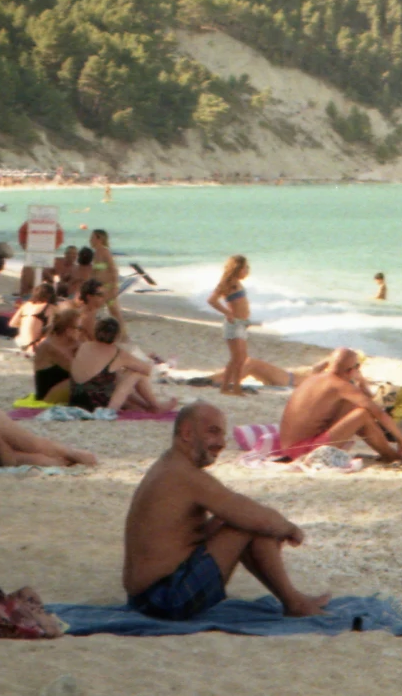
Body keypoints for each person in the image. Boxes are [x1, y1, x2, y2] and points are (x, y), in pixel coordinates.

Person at [122, 403, 327, 620]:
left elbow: (184, 536)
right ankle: (294, 602)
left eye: (222, 435)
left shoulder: (169, 466)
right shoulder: (184, 475)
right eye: (213, 432)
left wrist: (221, 523)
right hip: (164, 599)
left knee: (237, 520)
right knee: (250, 524)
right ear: (187, 433)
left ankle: (293, 600)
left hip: (142, 599)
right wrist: (290, 529)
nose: (221, 443)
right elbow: (253, 517)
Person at [278, 347, 402, 464]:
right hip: (303, 451)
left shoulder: (315, 379)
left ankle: (388, 454)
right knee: (362, 414)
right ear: (351, 370)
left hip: (289, 448)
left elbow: (367, 400)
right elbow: (378, 413)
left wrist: (361, 382)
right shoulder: (339, 385)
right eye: (357, 366)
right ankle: (390, 455)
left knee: (353, 407)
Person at [70, 317, 175, 413]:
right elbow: (146, 370)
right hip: (98, 404)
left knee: (117, 375)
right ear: (116, 336)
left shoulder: (84, 346)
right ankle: (156, 406)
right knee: (136, 374)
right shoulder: (117, 353)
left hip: (76, 399)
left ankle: (148, 407)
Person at [208, 255, 257, 396]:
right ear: (237, 268)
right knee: (238, 357)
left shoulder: (238, 283)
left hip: (241, 324)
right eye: (245, 268)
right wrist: (227, 312)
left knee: (240, 358)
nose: (247, 271)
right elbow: (212, 300)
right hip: (234, 324)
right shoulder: (228, 283)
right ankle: (229, 387)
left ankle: (232, 387)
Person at [13, 282, 55, 354]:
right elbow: (51, 328)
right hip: (33, 345)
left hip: (20, 342)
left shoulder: (26, 305)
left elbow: (13, 323)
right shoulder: (49, 307)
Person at [87, 230, 122, 317]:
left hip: (107, 288)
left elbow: (114, 270)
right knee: (112, 312)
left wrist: (114, 287)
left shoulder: (105, 252)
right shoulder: (96, 253)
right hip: (99, 288)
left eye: (92, 238)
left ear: (99, 239)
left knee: (114, 313)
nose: (90, 240)